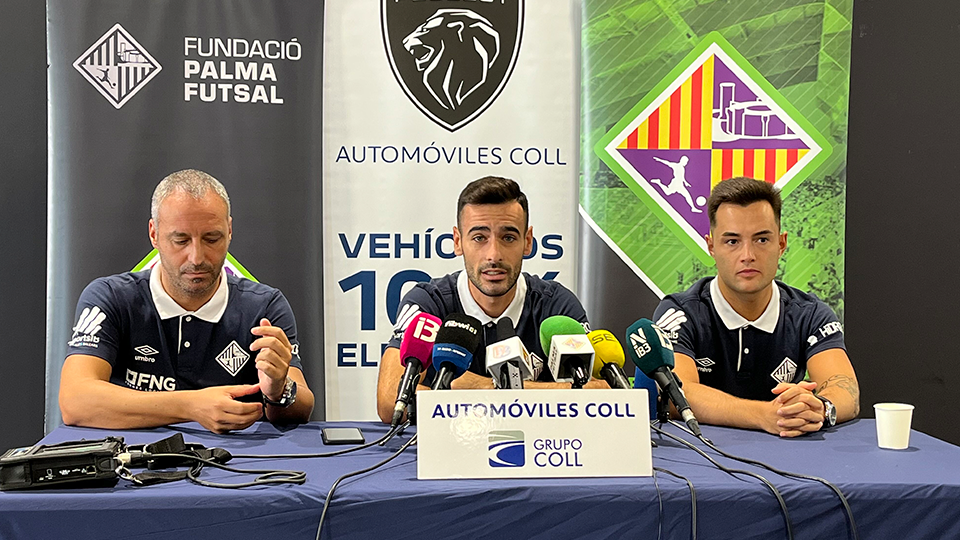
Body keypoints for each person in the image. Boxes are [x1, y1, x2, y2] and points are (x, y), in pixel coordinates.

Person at [59, 169, 314, 433]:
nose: (196, 257)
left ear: (229, 231)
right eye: (180, 240)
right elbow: (75, 400)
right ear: (154, 234)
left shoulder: (264, 306)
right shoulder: (110, 298)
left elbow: (303, 406)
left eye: (211, 238)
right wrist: (191, 406)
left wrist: (278, 390)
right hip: (133, 466)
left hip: (237, 467)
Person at [376, 176, 606, 423]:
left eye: (508, 237)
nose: (493, 255)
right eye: (479, 238)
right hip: (445, 453)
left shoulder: (557, 306)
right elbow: (391, 401)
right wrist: (539, 396)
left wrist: (484, 388)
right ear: (457, 241)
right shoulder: (428, 303)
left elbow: (594, 396)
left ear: (527, 242)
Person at [653, 177, 859, 437]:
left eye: (761, 240)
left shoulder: (811, 313)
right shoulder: (679, 313)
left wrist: (819, 407)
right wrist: (764, 415)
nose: (747, 255)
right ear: (711, 246)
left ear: (781, 244)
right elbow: (676, 395)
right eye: (732, 241)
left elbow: (844, 386)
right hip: (701, 463)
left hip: (792, 460)